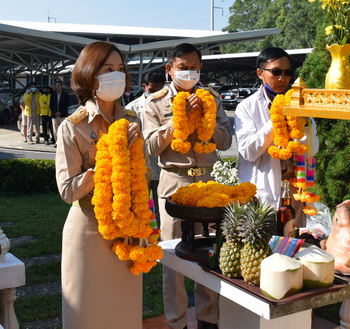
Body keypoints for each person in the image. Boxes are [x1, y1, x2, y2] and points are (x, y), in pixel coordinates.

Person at [143, 43, 232, 329]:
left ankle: (208, 317)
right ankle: (177, 321)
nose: (189, 73)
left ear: (201, 68)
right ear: (170, 69)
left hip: (206, 181)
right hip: (174, 182)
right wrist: (175, 125)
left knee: (208, 252)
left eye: (194, 67)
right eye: (183, 68)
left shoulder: (212, 98)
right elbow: (151, 147)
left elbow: (227, 141)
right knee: (172, 256)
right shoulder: (155, 102)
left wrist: (203, 118)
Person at [55, 41, 143, 328]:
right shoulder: (73, 125)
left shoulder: (132, 120)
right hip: (89, 232)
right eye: (108, 69)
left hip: (127, 230)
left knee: (124, 313)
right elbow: (67, 190)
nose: (116, 75)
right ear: (90, 75)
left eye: (120, 69)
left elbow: (142, 176)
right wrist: (108, 159)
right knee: (88, 313)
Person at [235, 47, 311, 210]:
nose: (282, 78)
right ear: (260, 73)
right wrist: (276, 120)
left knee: (293, 233)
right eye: (276, 72)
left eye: (287, 72)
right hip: (261, 189)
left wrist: (303, 124)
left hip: (295, 188)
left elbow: (312, 150)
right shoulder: (246, 107)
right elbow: (249, 152)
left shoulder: (298, 104)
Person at [125, 69, 166, 223]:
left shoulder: (167, 106)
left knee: (162, 209)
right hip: (139, 168)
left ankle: (161, 241)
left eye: (160, 90)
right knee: (138, 209)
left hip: (160, 166)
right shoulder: (132, 109)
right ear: (144, 86)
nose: (156, 94)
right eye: (152, 90)